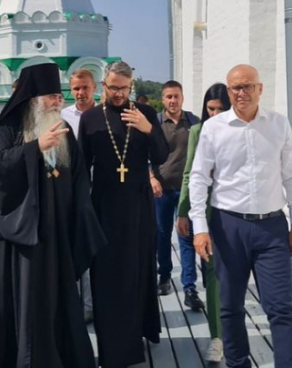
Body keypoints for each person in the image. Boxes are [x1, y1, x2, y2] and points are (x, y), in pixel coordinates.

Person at [0, 63, 106, 368]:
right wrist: (35, 148)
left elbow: (78, 177)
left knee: (55, 303)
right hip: (20, 241)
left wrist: (80, 218)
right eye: (51, 96)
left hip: (55, 234)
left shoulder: (63, 131)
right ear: (33, 99)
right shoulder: (8, 128)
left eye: (59, 96)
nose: (58, 101)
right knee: (26, 304)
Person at [189, 64, 292, 368]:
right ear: (229, 92)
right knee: (230, 307)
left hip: (272, 228)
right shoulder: (214, 128)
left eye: (247, 86)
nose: (241, 93)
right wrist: (200, 227)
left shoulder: (278, 124)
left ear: (260, 89)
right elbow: (199, 178)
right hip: (228, 227)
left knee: (281, 308)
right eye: (235, 88)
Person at [77, 60, 169, 368]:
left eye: (124, 88)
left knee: (136, 272)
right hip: (104, 208)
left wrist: (148, 129)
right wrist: (79, 208)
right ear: (104, 85)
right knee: (107, 277)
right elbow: (82, 168)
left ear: (131, 86)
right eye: (113, 87)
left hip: (138, 208)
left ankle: (138, 335)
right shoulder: (90, 118)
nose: (118, 94)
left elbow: (161, 155)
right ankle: (114, 347)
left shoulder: (145, 114)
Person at [176, 83, 231, 363]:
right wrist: (183, 211)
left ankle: (231, 329)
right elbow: (190, 173)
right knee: (212, 273)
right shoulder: (198, 131)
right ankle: (217, 337)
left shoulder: (240, 131)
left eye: (220, 109)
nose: (215, 114)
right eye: (210, 109)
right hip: (208, 212)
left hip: (237, 212)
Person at [150, 81, 202, 312]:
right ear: (163, 99)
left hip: (185, 190)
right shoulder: (155, 124)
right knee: (162, 235)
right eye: (168, 97)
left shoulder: (193, 123)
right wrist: (151, 177)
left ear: (182, 97)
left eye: (176, 96)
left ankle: (189, 287)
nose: (173, 100)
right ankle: (164, 276)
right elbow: (144, 153)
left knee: (186, 236)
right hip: (161, 189)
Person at [61, 68, 99, 322]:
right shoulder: (63, 117)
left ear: (94, 88)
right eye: (76, 88)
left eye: (85, 87)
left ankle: (98, 302)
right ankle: (82, 306)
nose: (81, 92)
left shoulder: (103, 114)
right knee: (78, 245)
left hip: (101, 189)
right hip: (73, 193)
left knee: (99, 247)